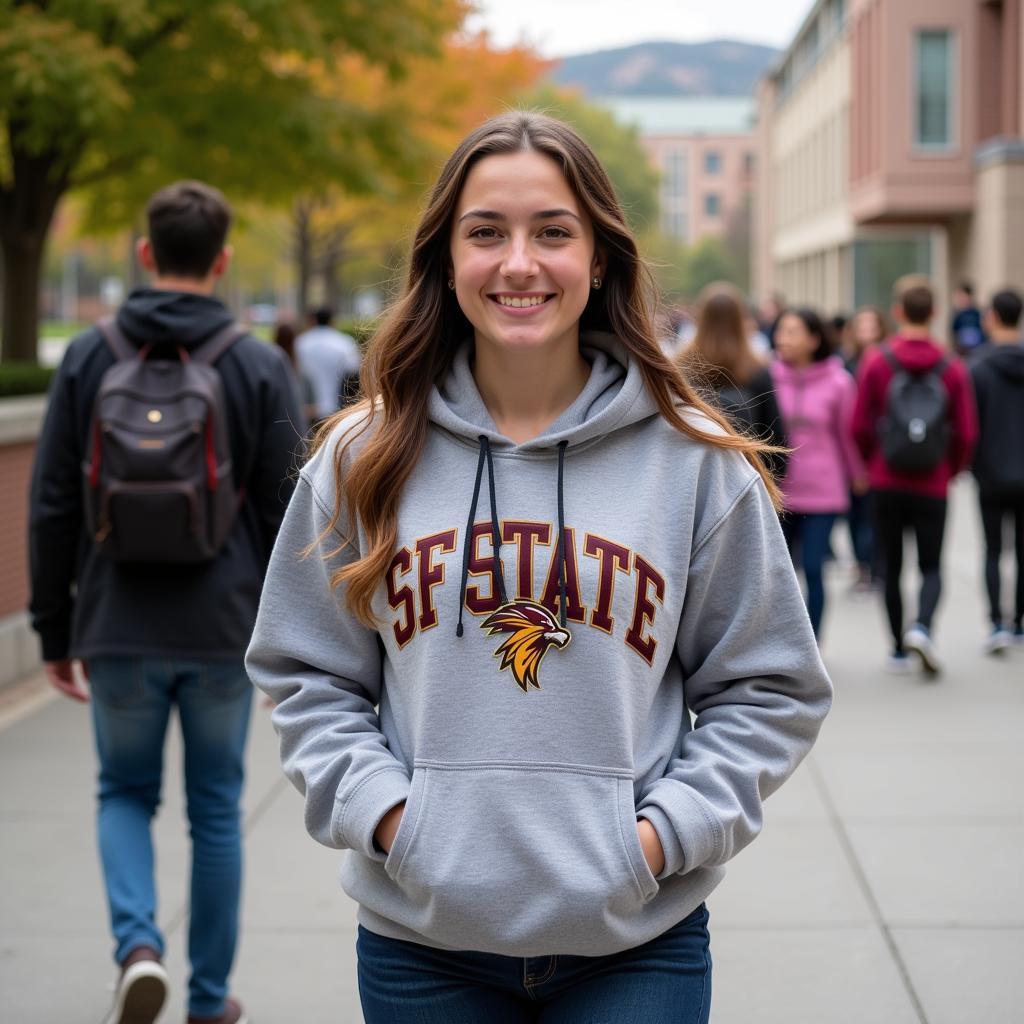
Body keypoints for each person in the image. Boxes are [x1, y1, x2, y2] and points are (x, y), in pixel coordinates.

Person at [245, 111, 833, 1024]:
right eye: (486, 232)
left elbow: (771, 687)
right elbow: (304, 674)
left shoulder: (696, 462)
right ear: (446, 256)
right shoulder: (363, 455)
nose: (519, 262)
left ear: (599, 258)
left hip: (638, 945)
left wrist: (656, 840)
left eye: (553, 232)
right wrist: (398, 826)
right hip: (423, 948)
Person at [29, 180, 304, 1024]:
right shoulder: (256, 363)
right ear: (221, 263)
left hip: (115, 622)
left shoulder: (88, 355)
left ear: (146, 254)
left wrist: (54, 629)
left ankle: (139, 947)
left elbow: (51, 503)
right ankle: (210, 998)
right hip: (223, 629)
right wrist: (287, 641)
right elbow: (290, 514)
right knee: (216, 809)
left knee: (122, 793)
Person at [852, 275, 977, 676]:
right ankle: (922, 627)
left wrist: (873, 462)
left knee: (890, 564)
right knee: (931, 565)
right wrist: (951, 469)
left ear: (897, 311)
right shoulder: (952, 366)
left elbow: (857, 424)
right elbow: (968, 431)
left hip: (886, 479)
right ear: (936, 313)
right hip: (933, 481)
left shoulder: (876, 360)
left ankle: (897, 649)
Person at [771, 308, 867, 639]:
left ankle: (812, 645)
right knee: (777, 575)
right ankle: (778, 644)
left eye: (793, 331)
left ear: (814, 339)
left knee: (813, 568)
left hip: (823, 491)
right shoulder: (767, 377)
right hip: (777, 491)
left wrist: (858, 474)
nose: (783, 338)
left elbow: (848, 436)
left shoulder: (839, 381)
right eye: (781, 330)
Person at [677, 283, 787, 479]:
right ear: (740, 320)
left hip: (693, 478)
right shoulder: (757, 372)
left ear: (701, 318)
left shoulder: (682, 369)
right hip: (749, 477)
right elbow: (776, 439)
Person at [970, 288, 1024, 652]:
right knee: (1021, 551)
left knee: (992, 550)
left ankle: (995, 622)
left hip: (989, 471)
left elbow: (970, 424)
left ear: (991, 317)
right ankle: (1018, 621)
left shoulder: (977, 366)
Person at [842, 307, 889, 589]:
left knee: (875, 515)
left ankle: (876, 566)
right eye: (862, 326)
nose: (867, 332)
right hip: (852, 447)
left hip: (880, 449)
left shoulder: (887, 362)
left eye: (872, 326)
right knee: (854, 514)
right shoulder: (846, 364)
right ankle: (862, 565)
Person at [295, 307, 362, 423]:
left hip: (307, 410)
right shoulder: (344, 343)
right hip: (337, 409)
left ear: (314, 320)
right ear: (332, 321)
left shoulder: (301, 343)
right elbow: (354, 369)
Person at [951, 281, 985, 358]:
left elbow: (984, 333)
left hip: (977, 352)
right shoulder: (957, 314)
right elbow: (954, 334)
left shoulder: (977, 313)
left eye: (962, 296)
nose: (960, 299)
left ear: (969, 296)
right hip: (961, 352)